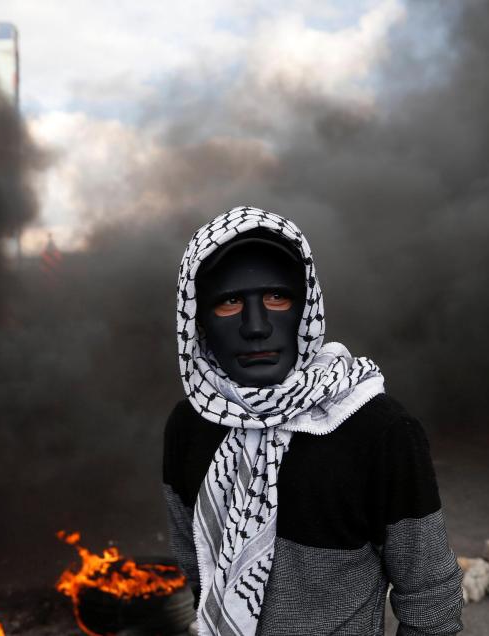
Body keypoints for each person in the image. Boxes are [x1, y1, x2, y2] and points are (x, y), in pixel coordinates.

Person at [163, 206, 464, 635]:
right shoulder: (189, 426)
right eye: (229, 302)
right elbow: (198, 568)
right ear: (198, 321)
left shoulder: (377, 431)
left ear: (306, 308)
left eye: (276, 297)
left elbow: (430, 599)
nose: (256, 326)